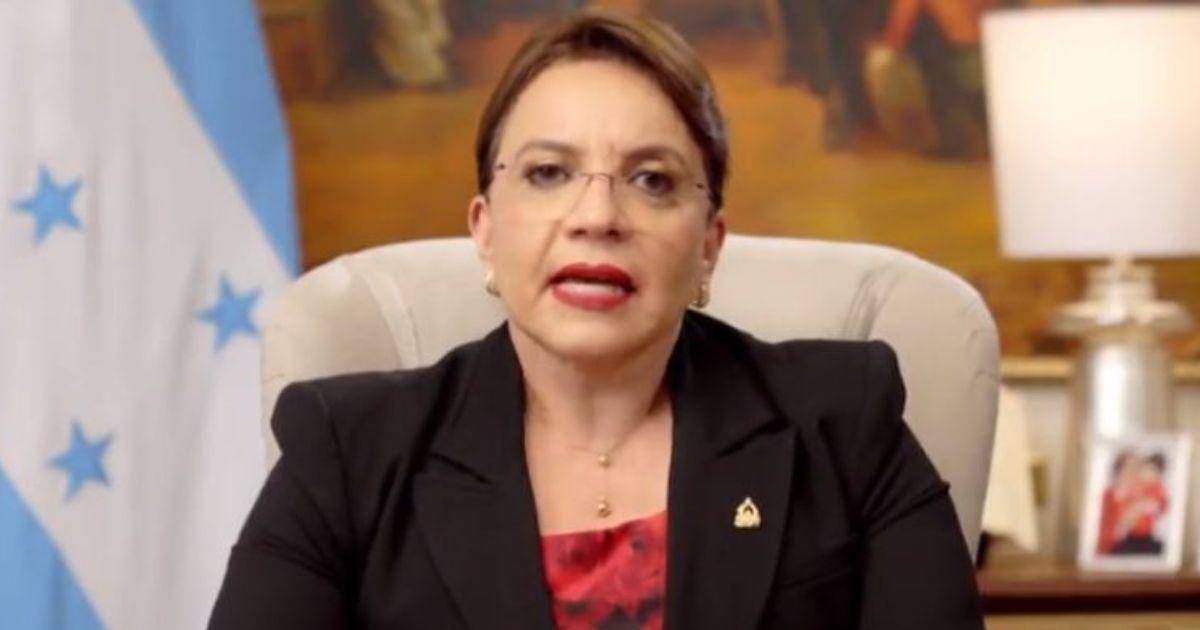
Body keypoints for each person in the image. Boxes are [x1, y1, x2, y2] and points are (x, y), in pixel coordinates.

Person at [208, 7, 983, 629]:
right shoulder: (346, 453)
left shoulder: (844, 422)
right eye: (549, 172)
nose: (598, 215)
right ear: (485, 228)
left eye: (652, 180)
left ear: (708, 247)